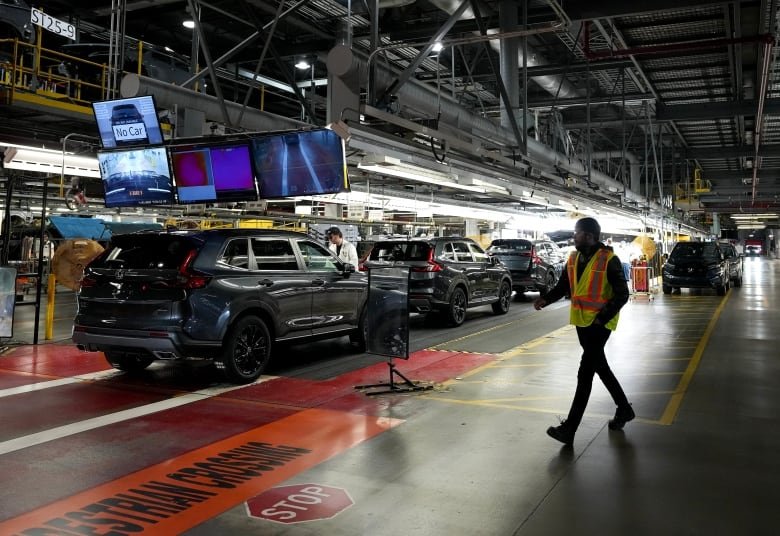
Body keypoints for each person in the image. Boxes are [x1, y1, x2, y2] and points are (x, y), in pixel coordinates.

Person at [533, 217, 634, 445]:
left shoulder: (609, 260)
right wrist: (546, 299)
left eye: (576, 232)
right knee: (601, 368)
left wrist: (602, 318)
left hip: (599, 326)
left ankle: (569, 429)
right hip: (581, 323)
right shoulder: (573, 258)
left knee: (585, 373)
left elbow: (622, 294)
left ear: (588, 236)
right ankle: (624, 409)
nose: (573, 236)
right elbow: (564, 286)